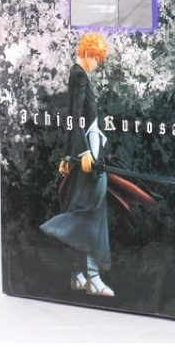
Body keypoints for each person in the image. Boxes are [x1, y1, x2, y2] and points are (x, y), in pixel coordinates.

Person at [40, 33, 114, 296]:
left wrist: (66, 156)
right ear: (89, 53)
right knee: (93, 210)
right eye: (97, 59)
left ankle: (78, 275)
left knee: (80, 205)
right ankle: (92, 276)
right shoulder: (79, 75)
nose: (97, 64)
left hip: (84, 150)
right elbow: (76, 116)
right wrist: (83, 152)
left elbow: (72, 119)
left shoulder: (78, 75)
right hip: (88, 152)